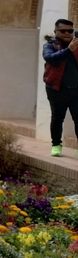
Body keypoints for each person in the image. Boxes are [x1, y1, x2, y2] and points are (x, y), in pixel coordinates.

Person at [42, 18, 78, 157]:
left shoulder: (76, 44)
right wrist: (69, 50)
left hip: (76, 89)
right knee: (57, 118)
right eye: (63, 31)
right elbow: (50, 58)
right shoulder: (50, 46)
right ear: (55, 32)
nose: (67, 33)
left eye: (70, 31)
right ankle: (56, 144)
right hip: (57, 89)